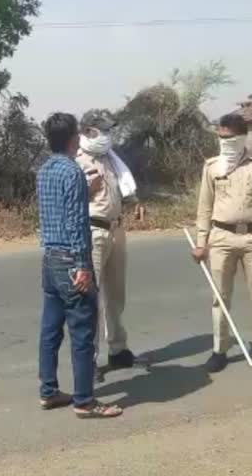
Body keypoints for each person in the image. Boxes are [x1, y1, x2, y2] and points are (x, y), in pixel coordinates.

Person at [36, 112, 123, 419]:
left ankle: (48, 391)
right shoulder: (73, 172)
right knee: (83, 332)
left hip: (50, 258)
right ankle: (84, 401)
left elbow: (52, 214)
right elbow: (75, 222)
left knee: (50, 330)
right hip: (71, 260)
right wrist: (83, 266)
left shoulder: (44, 170)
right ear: (73, 138)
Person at [193, 113, 252, 375]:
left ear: (242, 136)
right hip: (221, 238)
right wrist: (201, 243)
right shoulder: (212, 166)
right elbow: (204, 208)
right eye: (220, 137)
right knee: (220, 298)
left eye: (229, 137)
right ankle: (219, 351)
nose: (224, 141)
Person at [76, 110, 137, 370]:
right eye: (104, 130)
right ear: (89, 131)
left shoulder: (111, 158)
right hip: (93, 232)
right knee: (91, 299)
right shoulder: (77, 161)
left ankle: (118, 348)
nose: (109, 136)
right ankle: (88, 359)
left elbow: (122, 187)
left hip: (116, 230)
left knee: (116, 294)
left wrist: (132, 200)